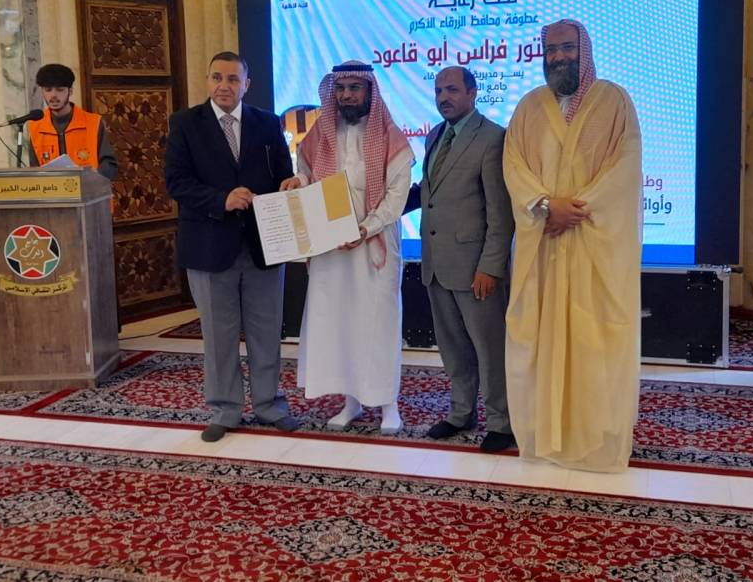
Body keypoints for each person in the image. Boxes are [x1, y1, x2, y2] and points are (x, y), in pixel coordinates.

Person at [502, 19, 643, 472]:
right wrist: (546, 206)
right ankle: (542, 438)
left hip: (590, 247)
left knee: (593, 343)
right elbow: (514, 168)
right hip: (543, 247)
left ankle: (595, 442)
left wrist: (574, 210)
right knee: (538, 341)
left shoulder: (614, 102)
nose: (558, 57)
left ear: (584, 50)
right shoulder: (528, 107)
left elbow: (624, 169)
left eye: (566, 48)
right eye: (551, 50)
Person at [164, 51, 299, 442]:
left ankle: (269, 405)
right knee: (218, 335)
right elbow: (176, 182)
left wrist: (290, 184)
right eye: (217, 77)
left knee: (266, 331)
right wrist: (221, 199)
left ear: (247, 84)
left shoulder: (267, 122)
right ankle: (225, 409)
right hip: (209, 246)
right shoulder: (185, 123)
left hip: (263, 246)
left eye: (233, 79)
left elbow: (282, 176)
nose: (224, 85)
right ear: (208, 81)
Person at [283, 61, 413, 435]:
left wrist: (365, 227)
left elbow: (397, 195)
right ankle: (351, 402)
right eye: (341, 89)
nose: (347, 95)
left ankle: (388, 404)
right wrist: (298, 181)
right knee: (340, 323)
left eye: (355, 88)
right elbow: (309, 173)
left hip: (373, 245)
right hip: (331, 247)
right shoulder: (321, 135)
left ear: (370, 91)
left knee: (377, 323)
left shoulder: (391, 137)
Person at [406, 65, 515, 452]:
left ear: (472, 93)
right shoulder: (435, 135)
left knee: (490, 349)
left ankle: (502, 422)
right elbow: (429, 192)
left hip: (475, 269)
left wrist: (491, 267)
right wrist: (379, 206)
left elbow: (501, 214)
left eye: (452, 90)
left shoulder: (493, 138)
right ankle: (460, 412)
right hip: (437, 264)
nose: (443, 98)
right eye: (438, 91)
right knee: (453, 348)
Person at [27, 63, 118, 179]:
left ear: (70, 91)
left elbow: (109, 165)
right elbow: (34, 170)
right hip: (52, 189)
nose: (53, 95)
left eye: (60, 90)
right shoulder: (35, 126)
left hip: (89, 189)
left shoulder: (93, 123)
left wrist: (94, 179)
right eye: (48, 90)